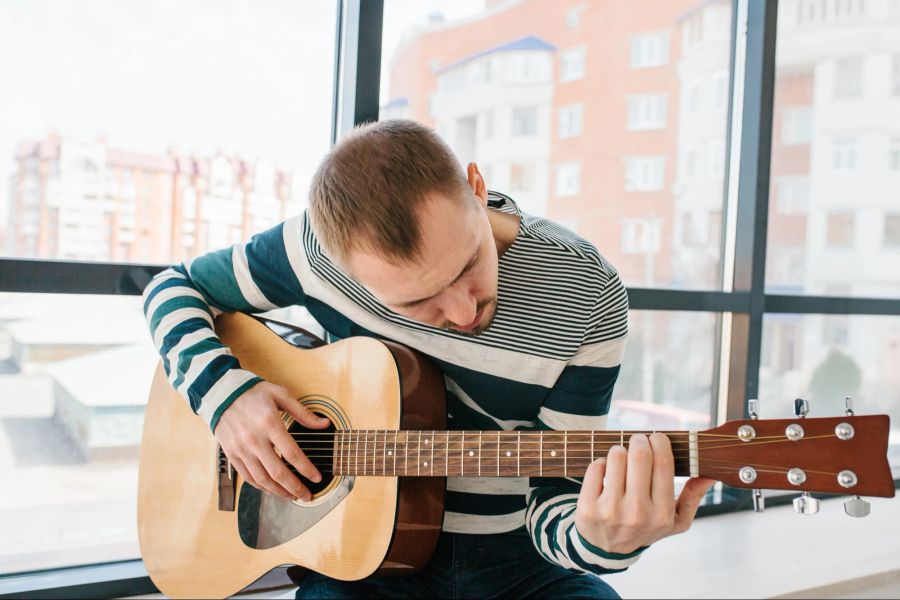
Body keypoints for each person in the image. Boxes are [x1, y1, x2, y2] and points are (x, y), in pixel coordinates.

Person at [141, 119, 713, 599]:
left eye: (467, 264)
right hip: (359, 564)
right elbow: (172, 289)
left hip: (522, 569)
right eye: (416, 302)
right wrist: (227, 400)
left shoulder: (583, 289)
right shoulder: (314, 249)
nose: (464, 311)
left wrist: (603, 540)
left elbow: (556, 500)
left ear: (476, 185)